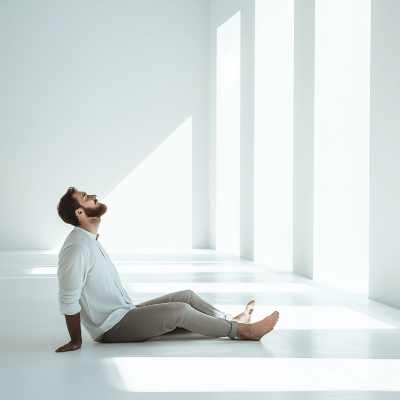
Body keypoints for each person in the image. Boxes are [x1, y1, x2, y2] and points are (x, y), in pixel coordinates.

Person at [55, 187, 280, 353]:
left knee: (187, 296)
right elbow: (68, 298)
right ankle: (242, 331)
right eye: (86, 198)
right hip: (111, 327)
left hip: (124, 311)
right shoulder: (77, 248)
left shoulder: (90, 240)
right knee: (179, 311)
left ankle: (235, 320)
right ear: (80, 213)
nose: (94, 196)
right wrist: (76, 341)